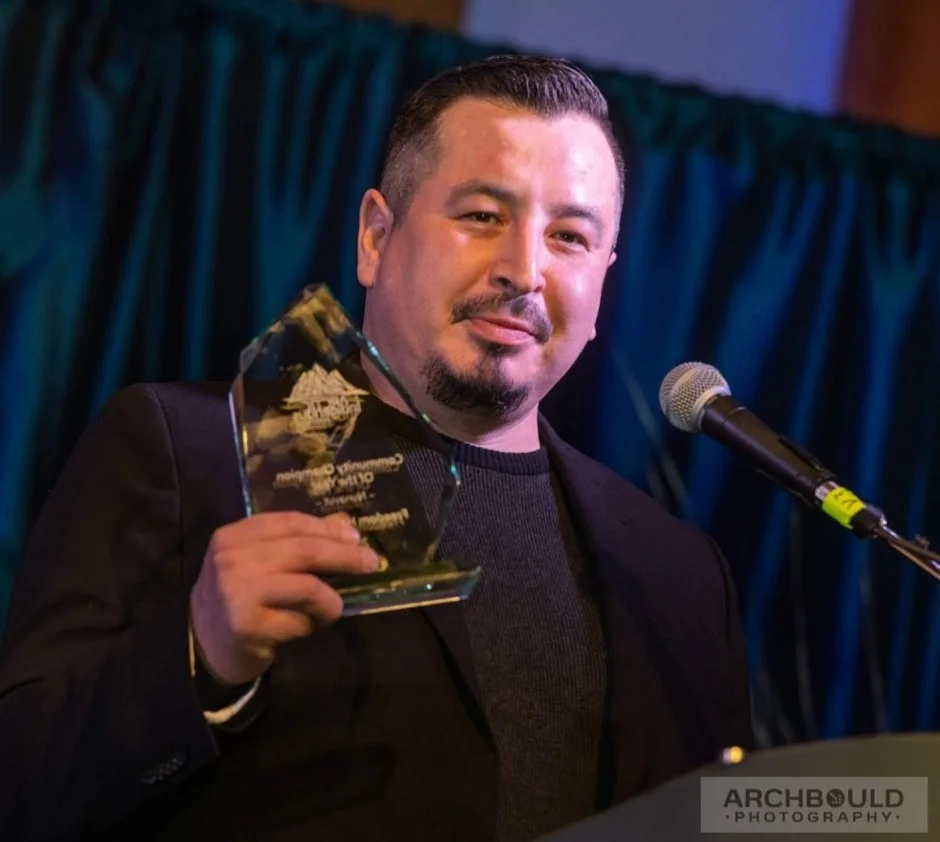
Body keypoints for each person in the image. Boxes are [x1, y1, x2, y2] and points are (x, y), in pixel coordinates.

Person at [0, 54, 752, 842]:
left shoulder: (680, 577)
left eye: (568, 236)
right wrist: (198, 659)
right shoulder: (187, 450)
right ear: (375, 237)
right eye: (482, 216)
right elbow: (18, 786)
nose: (523, 271)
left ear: (603, 282)